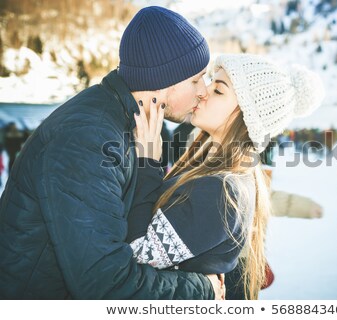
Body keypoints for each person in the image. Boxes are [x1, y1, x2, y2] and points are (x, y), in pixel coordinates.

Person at [0, 6, 223, 299]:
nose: (203, 91)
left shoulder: (126, 123)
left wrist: (148, 163)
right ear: (163, 79)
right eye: (196, 79)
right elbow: (105, 282)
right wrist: (201, 290)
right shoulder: (87, 139)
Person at [126, 53, 325, 299]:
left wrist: (147, 161)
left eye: (218, 90)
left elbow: (136, 255)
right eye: (210, 81)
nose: (203, 92)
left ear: (246, 116)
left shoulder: (222, 191)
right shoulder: (209, 170)